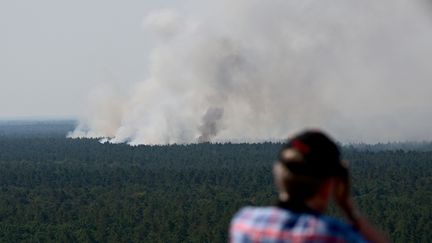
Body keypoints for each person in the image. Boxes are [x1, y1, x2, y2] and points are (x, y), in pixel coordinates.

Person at [229, 130, 389, 243]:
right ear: (329, 185)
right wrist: (348, 208)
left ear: (279, 176)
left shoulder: (244, 222)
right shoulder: (334, 234)